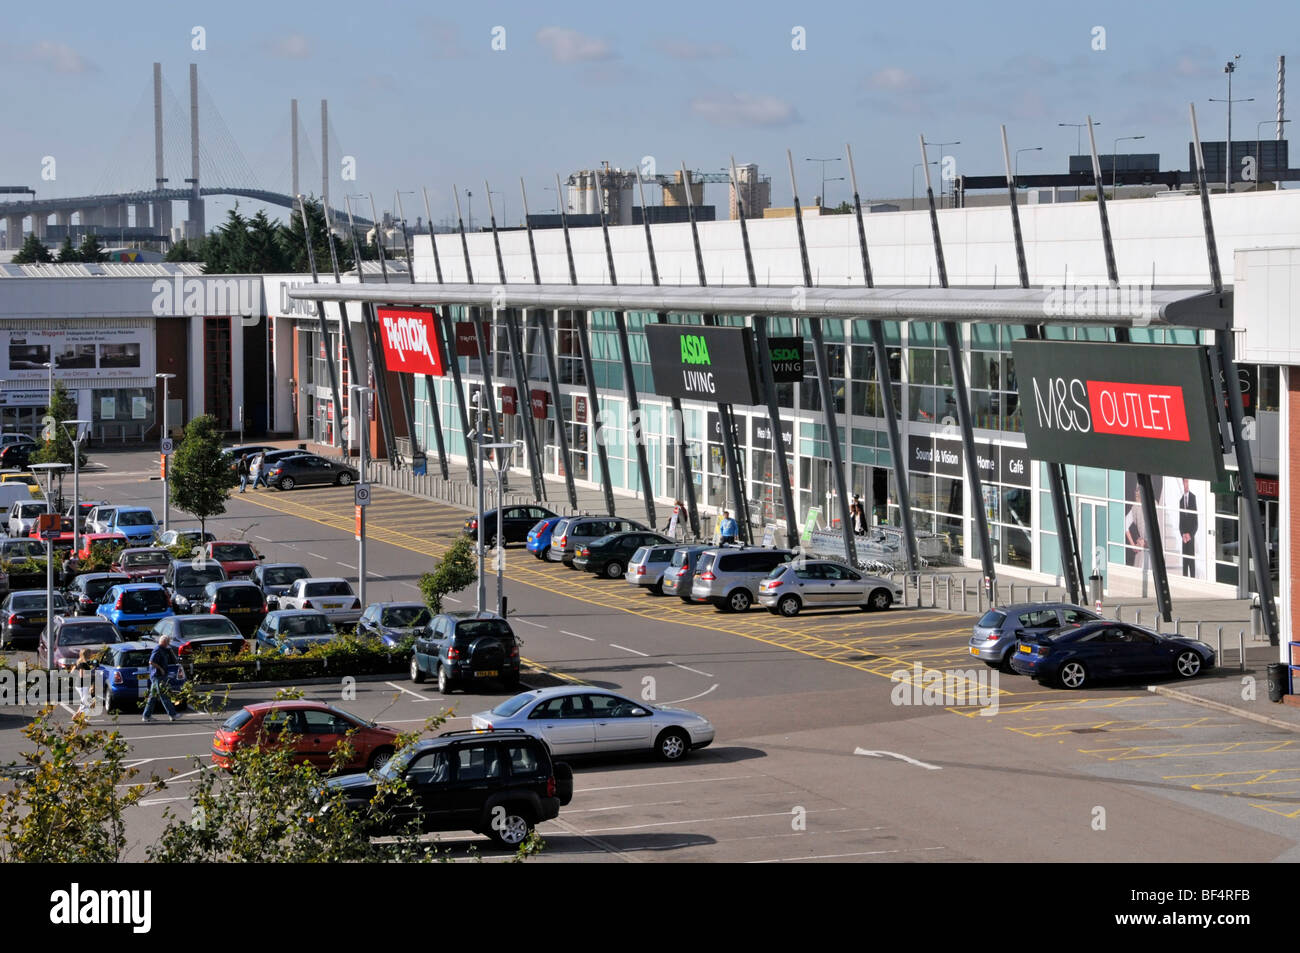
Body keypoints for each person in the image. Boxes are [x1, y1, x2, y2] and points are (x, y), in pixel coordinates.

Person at [142, 633, 179, 723]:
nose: (168, 644)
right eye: (168, 642)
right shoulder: (158, 650)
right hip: (158, 676)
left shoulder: (162, 649)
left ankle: (146, 716)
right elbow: (151, 662)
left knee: (153, 696)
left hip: (158, 676)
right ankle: (172, 714)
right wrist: (161, 669)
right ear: (164, 642)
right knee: (163, 695)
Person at [1179, 478, 1198, 577]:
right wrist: (1182, 534)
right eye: (1184, 482)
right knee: (1185, 559)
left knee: (1191, 558)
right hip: (1184, 536)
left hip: (1190, 535)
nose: (1186, 484)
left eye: (1187, 482)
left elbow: (1195, 520)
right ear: (1183, 483)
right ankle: (1185, 577)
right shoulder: (1181, 500)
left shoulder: (1193, 498)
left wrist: (1190, 534)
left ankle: (1193, 578)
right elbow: (1180, 521)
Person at [72, 648, 94, 716]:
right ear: (87, 654)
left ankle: (77, 716)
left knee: (84, 702)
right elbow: (82, 675)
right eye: (90, 653)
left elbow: (72, 672)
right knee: (85, 702)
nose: (92, 655)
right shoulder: (83, 664)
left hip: (80, 685)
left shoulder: (79, 662)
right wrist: (93, 674)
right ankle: (78, 717)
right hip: (82, 686)